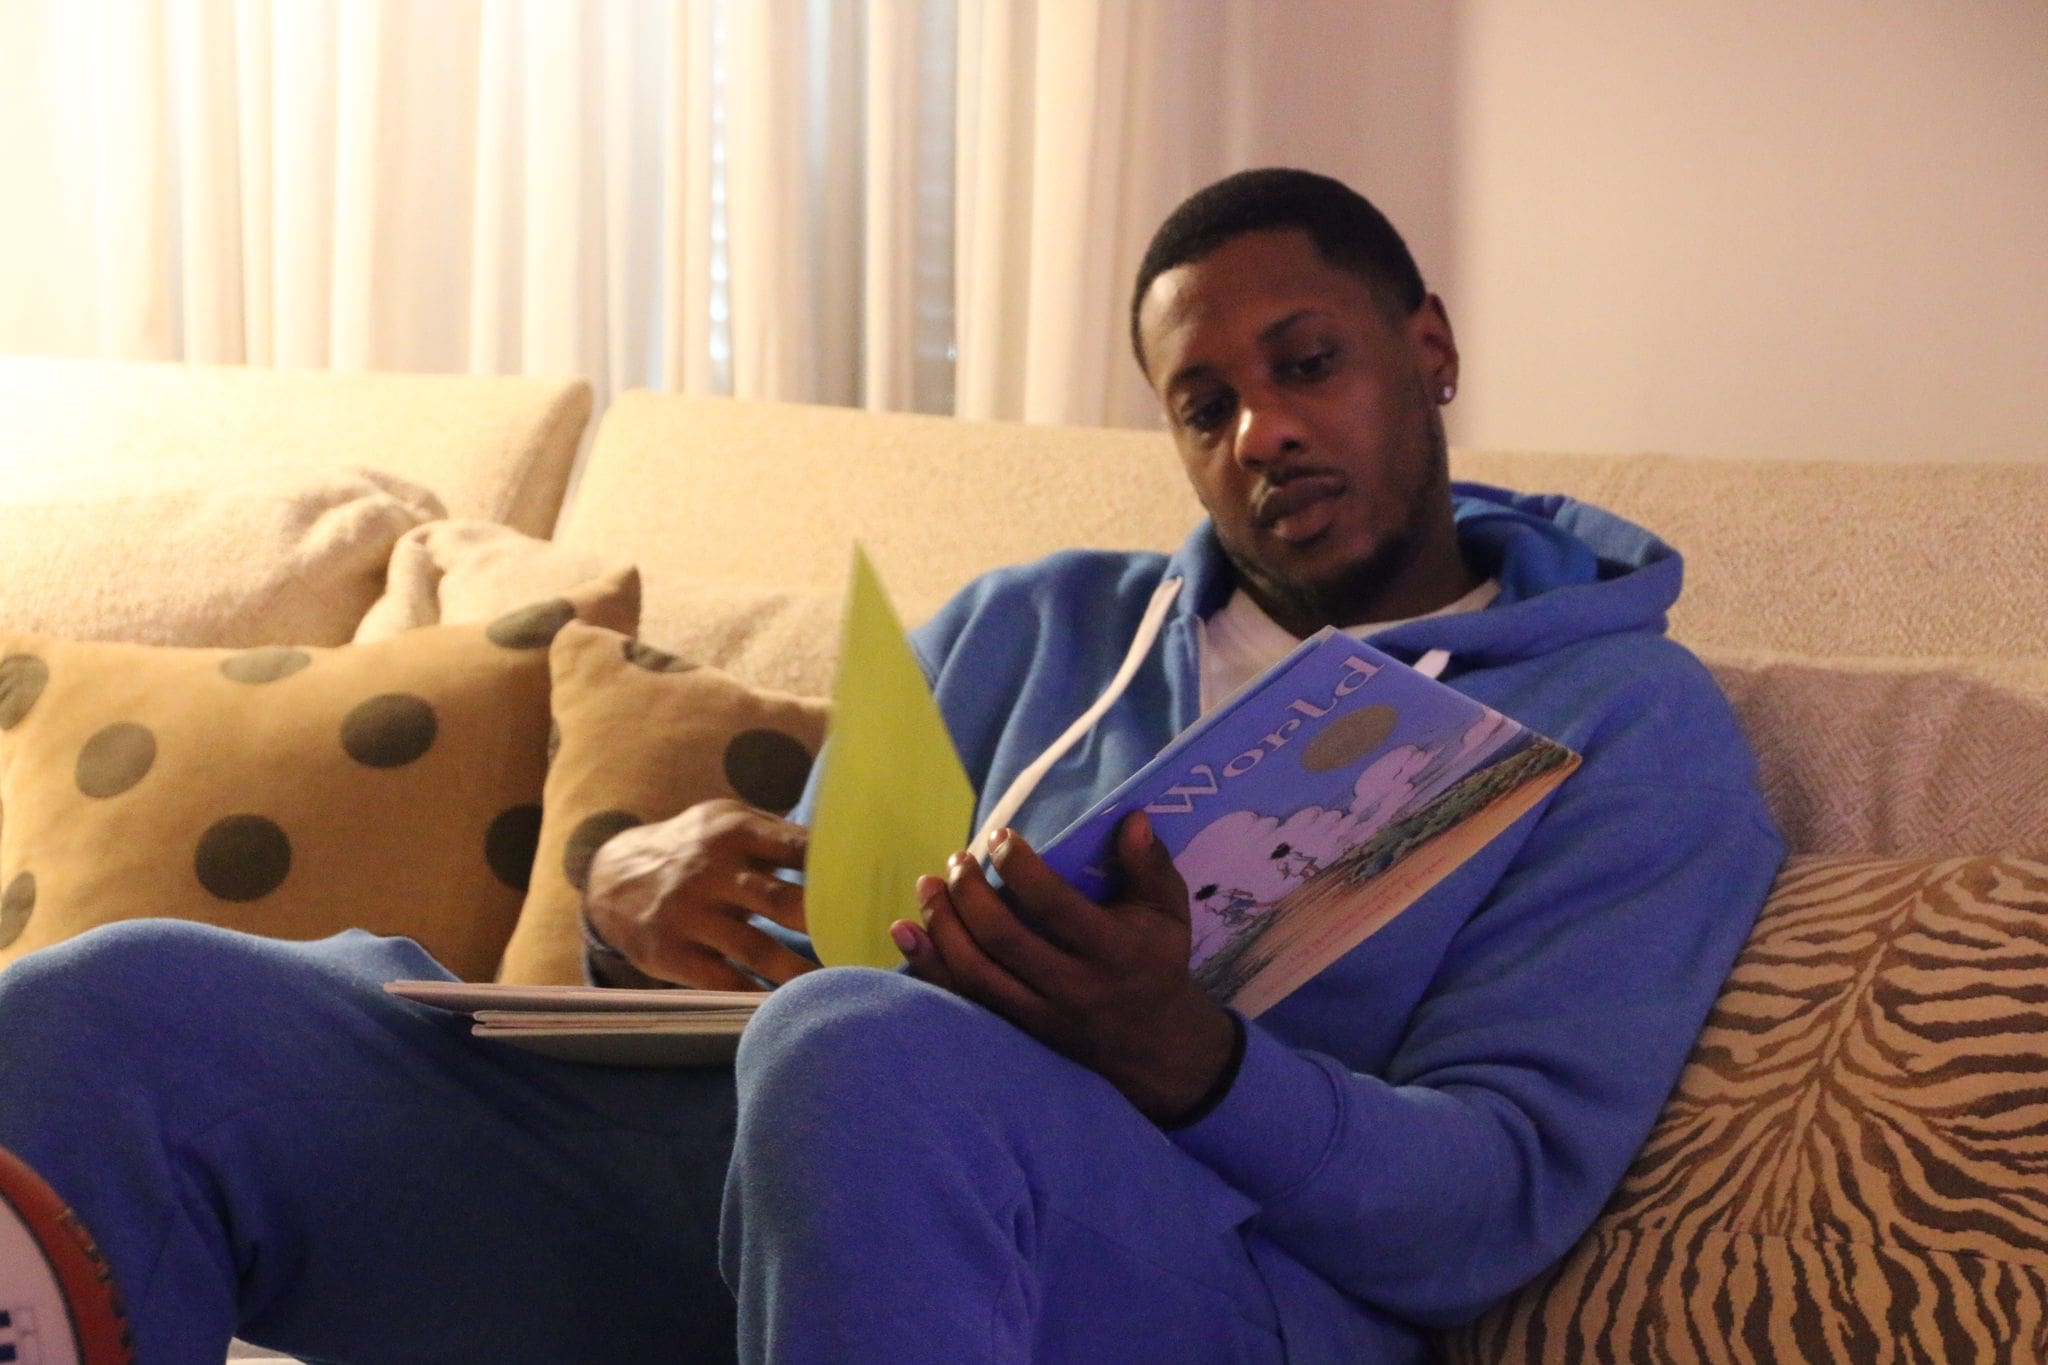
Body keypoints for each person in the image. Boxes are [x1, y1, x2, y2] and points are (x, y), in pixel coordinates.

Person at [0, 168, 1783, 1362]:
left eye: (1305, 363)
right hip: (790, 1200)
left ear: (1430, 349)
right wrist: (635, 910)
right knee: (129, 1009)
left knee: (867, 1055)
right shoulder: (1031, 626)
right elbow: (801, 965)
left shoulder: (1625, 725)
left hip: (1220, 1280)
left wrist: (1186, 1058)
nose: (1264, 431)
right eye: (1203, 403)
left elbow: (1500, 1197)